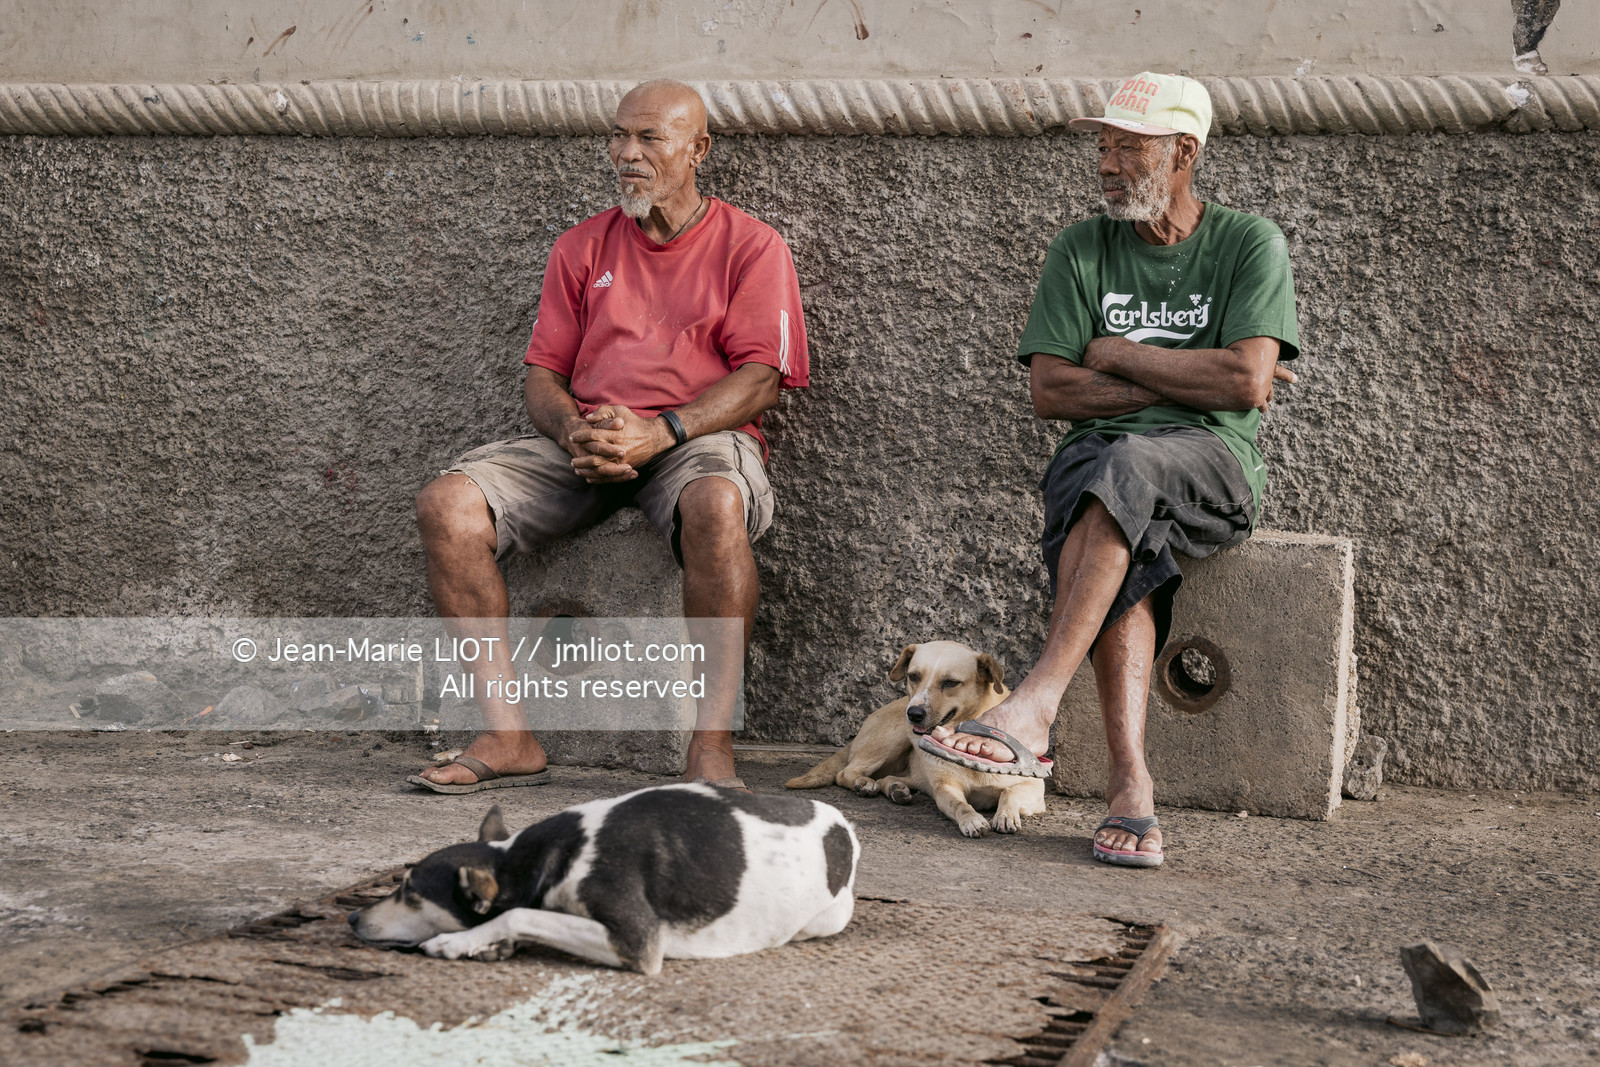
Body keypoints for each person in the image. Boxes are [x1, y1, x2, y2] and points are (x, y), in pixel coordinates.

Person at [919, 72, 1300, 866]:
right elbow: (1050, 390)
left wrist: (1117, 352)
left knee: (1124, 464)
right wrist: (1190, 368)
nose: (1106, 163)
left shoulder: (1247, 242)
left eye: (1129, 146)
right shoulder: (1080, 247)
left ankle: (1034, 706)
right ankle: (1132, 789)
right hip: (1095, 461)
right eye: (1103, 145)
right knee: (1120, 498)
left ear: (1184, 152)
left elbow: (1246, 385)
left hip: (1213, 459)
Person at [409, 79, 808, 793]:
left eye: (648, 138)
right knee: (447, 504)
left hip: (691, 439)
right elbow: (541, 375)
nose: (626, 153)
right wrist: (573, 430)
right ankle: (508, 733)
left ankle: (710, 745)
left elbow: (760, 379)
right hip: (587, 441)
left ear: (698, 149)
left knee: (718, 505)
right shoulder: (581, 246)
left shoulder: (752, 247)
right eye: (618, 136)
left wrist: (662, 431)